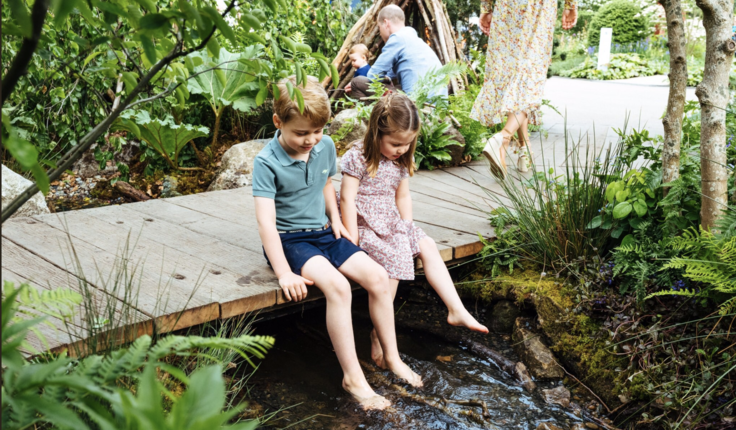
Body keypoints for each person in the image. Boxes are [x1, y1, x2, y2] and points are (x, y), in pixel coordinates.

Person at [253, 76, 422, 410]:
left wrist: (339, 221)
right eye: (301, 133)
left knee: (376, 276)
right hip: (290, 241)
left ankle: (392, 356)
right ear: (278, 122)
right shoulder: (266, 162)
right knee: (339, 288)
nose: (310, 140)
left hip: (325, 232)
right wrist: (285, 272)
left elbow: (327, 185)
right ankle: (353, 378)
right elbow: (265, 223)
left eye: (317, 131)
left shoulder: (324, 146)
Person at [339, 93, 489, 368]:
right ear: (376, 133)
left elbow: (403, 197)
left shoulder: (400, 160)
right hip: (364, 223)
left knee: (427, 245)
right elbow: (347, 198)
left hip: (392, 221)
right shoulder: (357, 157)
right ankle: (379, 335)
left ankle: (456, 309)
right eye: (395, 143)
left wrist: (407, 226)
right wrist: (353, 237)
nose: (401, 149)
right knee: (396, 259)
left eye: (407, 144)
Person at [472, 0, 578, 178]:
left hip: (508, 6)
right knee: (530, 77)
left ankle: (524, 149)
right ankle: (502, 139)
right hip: (539, 7)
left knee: (515, 76)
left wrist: (486, 7)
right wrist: (570, 6)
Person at [345, 5, 444, 100]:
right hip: (436, 102)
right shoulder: (412, 38)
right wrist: (387, 78)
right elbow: (390, 73)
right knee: (396, 86)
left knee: (356, 82)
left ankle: (370, 116)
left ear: (386, 23)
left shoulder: (397, 39)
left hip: (416, 103)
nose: (380, 33)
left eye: (379, 27)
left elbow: (373, 76)